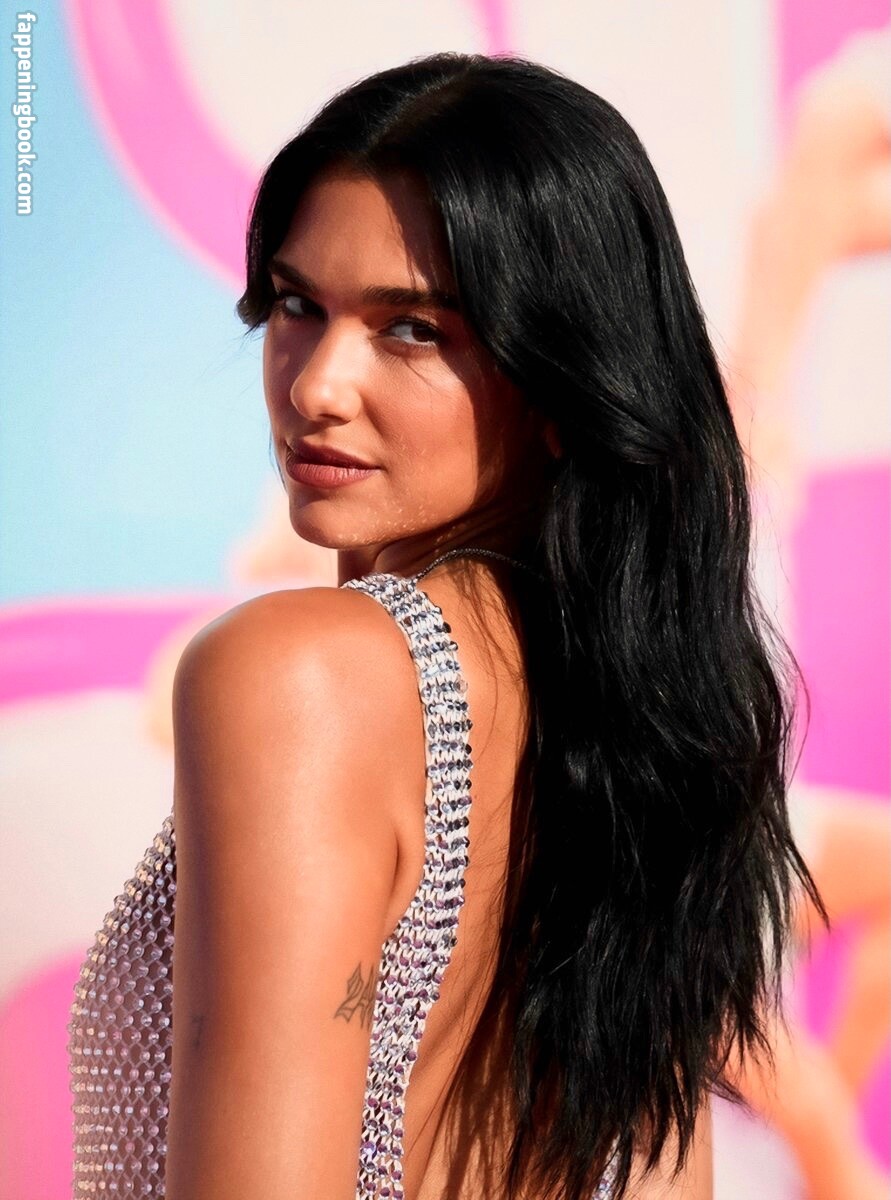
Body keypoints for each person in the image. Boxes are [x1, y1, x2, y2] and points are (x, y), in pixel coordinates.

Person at [67, 51, 823, 1200]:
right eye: (297, 306)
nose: (316, 387)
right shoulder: (642, 744)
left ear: (562, 385)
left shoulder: (299, 677)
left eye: (413, 329)